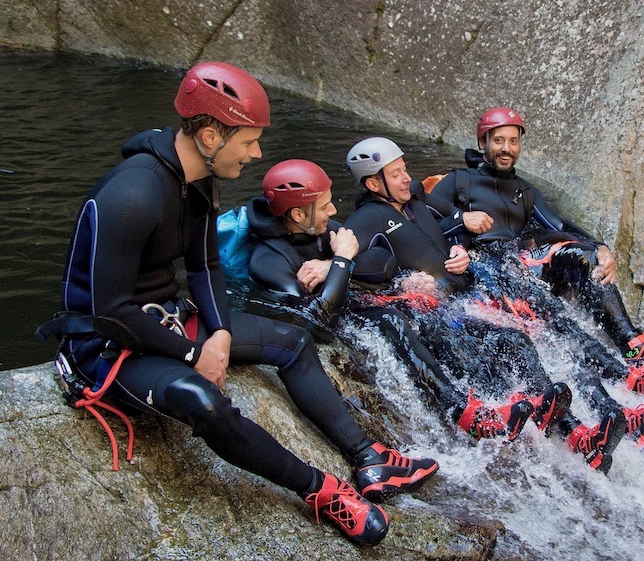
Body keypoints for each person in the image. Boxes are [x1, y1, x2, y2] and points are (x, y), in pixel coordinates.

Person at [38, 62, 437, 547]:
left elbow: (205, 265)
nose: (257, 153)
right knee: (201, 400)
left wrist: (221, 332)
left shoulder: (197, 179)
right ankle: (322, 491)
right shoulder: (134, 194)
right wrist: (193, 354)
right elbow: (108, 311)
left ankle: (367, 454)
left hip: (159, 318)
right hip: (102, 348)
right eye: (249, 141)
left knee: (290, 341)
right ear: (210, 135)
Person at [343, 137, 644, 472]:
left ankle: (584, 428)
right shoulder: (367, 220)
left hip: (466, 298)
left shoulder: (414, 197)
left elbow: (445, 226)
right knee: (520, 342)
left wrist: (456, 246)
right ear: (373, 183)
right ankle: (579, 428)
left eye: (404, 169)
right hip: (442, 315)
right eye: (396, 173)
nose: (406, 177)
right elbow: (349, 258)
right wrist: (379, 273)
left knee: (525, 336)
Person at [243, 158, 571, 443]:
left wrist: (339, 264)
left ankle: (519, 405)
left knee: (432, 315)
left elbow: (383, 263)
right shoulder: (268, 261)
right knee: (393, 319)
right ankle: (465, 413)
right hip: (326, 326)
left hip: (360, 306)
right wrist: (343, 260)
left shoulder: (322, 229)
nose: (333, 210)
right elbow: (316, 319)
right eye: (326, 205)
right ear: (299, 213)